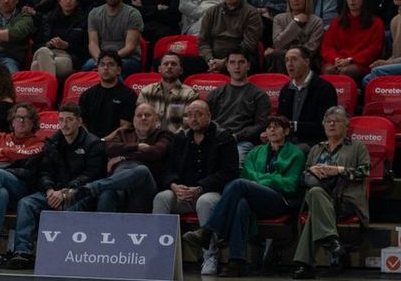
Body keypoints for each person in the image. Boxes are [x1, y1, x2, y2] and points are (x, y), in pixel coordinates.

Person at [186, 115, 304, 278]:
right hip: (254, 198)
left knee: (239, 184)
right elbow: (246, 175)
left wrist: (260, 180)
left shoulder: (296, 154)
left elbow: (289, 185)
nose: (272, 130)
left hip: (279, 200)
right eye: (269, 127)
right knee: (241, 203)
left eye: (276, 127)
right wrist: (270, 179)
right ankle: (236, 262)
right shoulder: (255, 152)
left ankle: (209, 231)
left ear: (286, 131)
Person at [1, 102, 105, 269]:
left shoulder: (93, 144)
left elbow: (93, 174)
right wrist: (49, 189)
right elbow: (45, 172)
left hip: (80, 192)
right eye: (61, 120)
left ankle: (67, 254)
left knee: (73, 207)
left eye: (69, 119)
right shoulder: (52, 142)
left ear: (79, 122)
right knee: (26, 203)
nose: (64, 124)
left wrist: (66, 192)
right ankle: (22, 252)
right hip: (54, 192)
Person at [152, 99, 238, 270]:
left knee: (205, 201)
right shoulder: (180, 138)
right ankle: (161, 254)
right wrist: (174, 186)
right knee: (162, 198)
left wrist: (200, 187)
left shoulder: (224, 137)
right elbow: (168, 168)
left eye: (198, 114)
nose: (193, 119)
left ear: (209, 116)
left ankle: (210, 256)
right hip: (184, 193)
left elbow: (229, 172)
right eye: (189, 115)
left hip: (212, 192)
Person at [291, 106, 370, 279]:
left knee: (315, 205)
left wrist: (339, 170)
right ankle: (333, 243)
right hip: (322, 198)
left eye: (336, 121)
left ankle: (309, 261)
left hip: (346, 201)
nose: (332, 124)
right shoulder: (316, 149)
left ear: (346, 125)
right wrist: (311, 170)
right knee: (315, 193)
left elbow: (365, 172)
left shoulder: (357, 147)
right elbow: (302, 177)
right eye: (328, 121)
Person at [0, 103, 47, 264]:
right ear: (12, 121)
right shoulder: (0, 137)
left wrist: (3, 152)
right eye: (18, 117)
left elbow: (30, 154)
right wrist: (14, 155)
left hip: (23, 188)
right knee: (1, 194)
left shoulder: (39, 142)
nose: (21, 121)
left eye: (26, 118)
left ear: (33, 122)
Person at [206, 50, 270, 162]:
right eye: (232, 62)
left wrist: (236, 137)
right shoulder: (215, 94)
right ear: (227, 66)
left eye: (241, 62)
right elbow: (207, 120)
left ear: (248, 65)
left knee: (234, 162)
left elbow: (260, 124)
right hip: (216, 139)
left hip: (242, 142)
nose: (237, 66)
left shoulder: (259, 95)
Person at [321, 0, 383, 84]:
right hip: (338, 61)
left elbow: (374, 49)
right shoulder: (336, 22)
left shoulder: (376, 23)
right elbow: (327, 47)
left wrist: (350, 59)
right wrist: (336, 59)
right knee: (329, 70)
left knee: (347, 71)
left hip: (361, 63)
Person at [279, 46, 339, 149]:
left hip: (314, 142)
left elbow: (325, 126)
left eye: (294, 59)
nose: (289, 64)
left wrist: (294, 126)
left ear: (306, 62)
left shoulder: (324, 88)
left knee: (293, 152)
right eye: (287, 60)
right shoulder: (285, 90)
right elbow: (282, 120)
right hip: (287, 141)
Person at [199, 0, 263, 74]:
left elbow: (249, 44)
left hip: (242, 57)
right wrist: (210, 60)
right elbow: (203, 41)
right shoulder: (211, 12)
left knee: (242, 65)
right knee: (187, 63)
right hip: (213, 58)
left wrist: (225, 62)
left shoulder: (251, 13)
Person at [84, 0, 143, 73]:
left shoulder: (133, 14)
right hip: (102, 57)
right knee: (87, 66)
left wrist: (109, 61)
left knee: (112, 71)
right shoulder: (94, 14)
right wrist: (100, 60)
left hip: (128, 58)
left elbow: (130, 47)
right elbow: (93, 43)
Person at [78, 49, 138, 141]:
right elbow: (82, 124)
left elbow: (125, 127)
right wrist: (90, 142)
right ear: (97, 69)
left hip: (116, 143)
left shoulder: (129, 95)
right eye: (102, 64)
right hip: (90, 143)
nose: (106, 68)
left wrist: (102, 141)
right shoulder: (87, 95)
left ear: (118, 70)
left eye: (111, 64)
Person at [31, 0, 87, 80]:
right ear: (59, 1)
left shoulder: (83, 21)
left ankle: (46, 86)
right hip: (49, 52)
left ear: (77, 1)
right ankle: (51, 86)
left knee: (36, 65)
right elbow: (35, 46)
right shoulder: (48, 19)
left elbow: (85, 51)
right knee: (43, 51)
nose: (68, 1)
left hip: (69, 57)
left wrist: (67, 46)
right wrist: (48, 44)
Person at [137, 53, 199, 133]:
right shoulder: (146, 92)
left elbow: (188, 124)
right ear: (159, 69)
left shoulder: (190, 94)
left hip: (176, 139)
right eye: (166, 64)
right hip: (149, 137)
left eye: (173, 64)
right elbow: (139, 120)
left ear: (181, 70)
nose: (169, 67)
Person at [268, 0, 325, 73]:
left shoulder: (317, 21)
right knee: (276, 56)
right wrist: (296, 23)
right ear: (288, 0)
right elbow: (278, 44)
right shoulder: (279, 19)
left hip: (307, 60)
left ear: (307, 0)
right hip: (282, 57)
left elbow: (311, 49)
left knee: (279, 55)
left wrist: (289, 52)